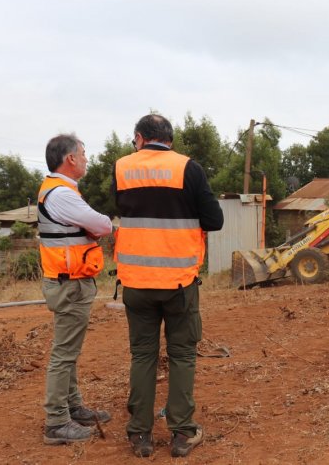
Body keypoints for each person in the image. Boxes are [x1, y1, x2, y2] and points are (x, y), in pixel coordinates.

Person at [113, 114, 224, 458]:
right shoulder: (188, 168)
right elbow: (215, 221)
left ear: (139, 138)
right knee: (182, 355)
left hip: (135, 281)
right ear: (170, 140)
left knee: (142, 355)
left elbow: (126, 212)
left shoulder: (121, 168)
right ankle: (181, 434)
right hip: (178, 281)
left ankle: (140, 436)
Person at [38, 134, 113, 444]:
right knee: (64, 354)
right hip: (70, 285)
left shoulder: (59, 190)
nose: (85, 159)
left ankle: (72, 406)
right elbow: (103, 225)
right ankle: (56, 422)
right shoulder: (62, 195)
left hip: (69, 281)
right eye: (82, 154)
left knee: (67, 351)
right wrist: (100, 223)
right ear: (69, 159)